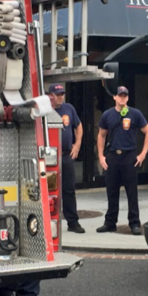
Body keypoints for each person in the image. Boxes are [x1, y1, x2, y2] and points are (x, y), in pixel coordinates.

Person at [96, 86, 148, 235]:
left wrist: (143, 154)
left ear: (127, 98)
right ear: (114, 97)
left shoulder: (135, 114)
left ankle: (134, 223)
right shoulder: (107, 114)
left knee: (131, 192)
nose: (122, 98)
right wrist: (101, 156)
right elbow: (101, 135)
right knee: (112, 191)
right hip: (112, 156)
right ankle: (110, 222)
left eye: (125, 96)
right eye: (120, 95)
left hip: (129, 156)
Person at [48, 83, 85, 233]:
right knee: (48, 191)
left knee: (69, 190)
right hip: (49, 157)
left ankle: (73, 222)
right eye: (57, 95)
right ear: (50, 96)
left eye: (62, 94)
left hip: (66, 155)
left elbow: (79, 126)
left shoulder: (69, 108)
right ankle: (47, 223)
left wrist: (77, 144)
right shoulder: (44, 110)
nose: (60, 97)